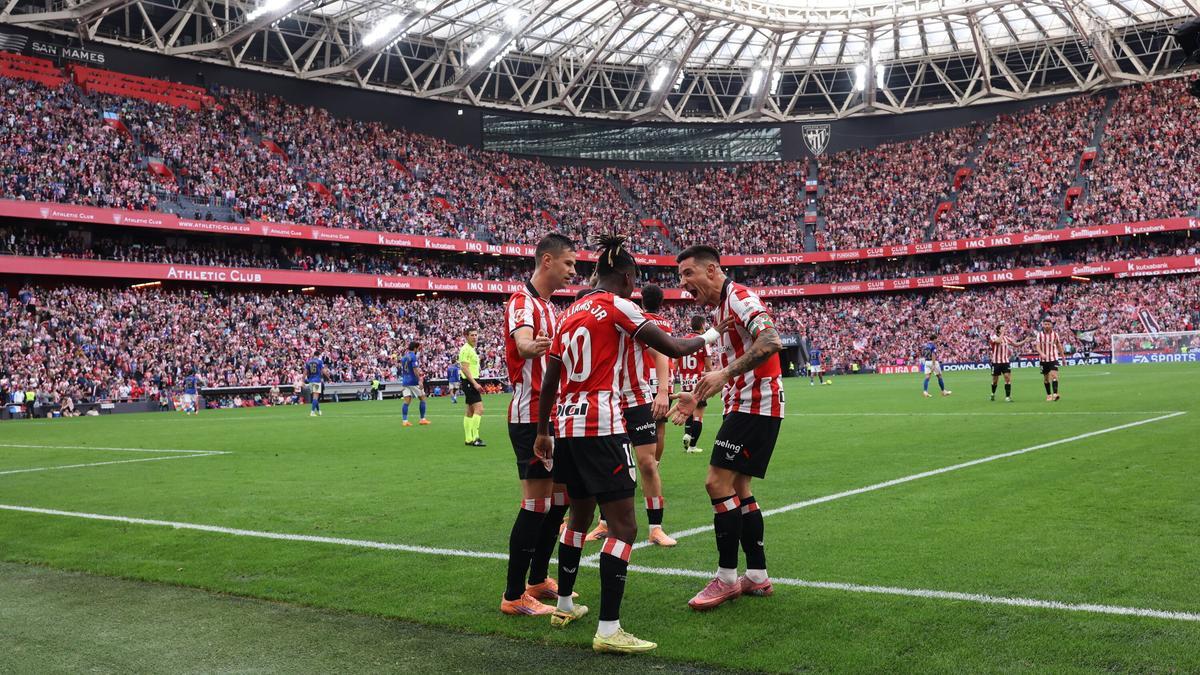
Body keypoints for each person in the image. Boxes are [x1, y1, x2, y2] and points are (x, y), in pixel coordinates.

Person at [535, 235, 719, 653]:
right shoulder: (616, 304)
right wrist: (709, 337)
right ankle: (608, 630)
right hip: (602, 424)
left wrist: (545, 430)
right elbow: (671, 346)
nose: (634, 288)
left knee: (578, 518)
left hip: (566, 424)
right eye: (633, 281)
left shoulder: (569, 313)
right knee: (623, 526)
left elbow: (550, 379)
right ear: (626, 276)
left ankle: (564, 605)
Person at [669, 244, 785, 610]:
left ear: (713, 270)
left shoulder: (738, 297)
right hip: (745, 405)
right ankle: (757, 575)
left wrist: (725, 373)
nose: (683, 283)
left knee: (716, 483)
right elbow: (724, 373)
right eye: (680, 276)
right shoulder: (720, 310)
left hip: (756, 405)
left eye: (688, 274)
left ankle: (726, 578)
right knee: (739, 486)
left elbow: (771, 340)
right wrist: (696, 396)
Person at [500, 232, 578, 617]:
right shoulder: (522, 302)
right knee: (536, 503)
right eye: (568, 264)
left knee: (559, 501)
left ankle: (537, 579)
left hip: (554, 417)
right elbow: (524, 346)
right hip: (532, 418)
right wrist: (553, 346)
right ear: (547, 261)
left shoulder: (552, 307)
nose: (573, 271)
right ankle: (513, 595)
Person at [586, 284, 676, 547]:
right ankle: (604, 523)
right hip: (609, 401)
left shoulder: (633, 322)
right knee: (609, 466)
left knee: (647, 464)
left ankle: (656, 528)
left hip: (637, 400)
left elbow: (660, 355)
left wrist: (661, 392)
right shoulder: (595, 324)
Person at [677, 315, 712, 455]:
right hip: (698, 384)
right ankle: (692, 446)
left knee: (688, 412)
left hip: (685, 383)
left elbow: (675, 362)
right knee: (698, 415)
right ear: (702, 325)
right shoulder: (703, 341)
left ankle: (687, 434)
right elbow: (709, 367)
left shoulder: (682, 341)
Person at [460, 328, 486, 446]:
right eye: (472, 335)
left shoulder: (471, 349)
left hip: (470, 381)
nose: (475, 337)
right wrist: (475, 383)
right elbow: (464, 368)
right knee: (479, 409)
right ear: (466, 336)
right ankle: (475, 437)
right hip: (470, 381)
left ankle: (468, 438)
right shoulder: (466, 349)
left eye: (476, 335)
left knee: (470, 410)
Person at [398, 342, 429, 427]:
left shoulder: (404, 357)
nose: (418, 350)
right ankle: (422, 419)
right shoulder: (413, 356)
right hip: (413, 381)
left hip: (405, 381)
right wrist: (419, 380)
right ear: (415, 348)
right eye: (418, 348)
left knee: (407, 401)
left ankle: (405, 421)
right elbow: (415, 369)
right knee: (422, 398)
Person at [1034, 318, 1065, 401]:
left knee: (1054, 375)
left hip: (1053, 358)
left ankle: (1055, 394)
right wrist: (1041, 353)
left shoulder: (1055, 335)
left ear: (1051, 325)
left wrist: (1063, 357)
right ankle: (1048, 395)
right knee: (1046, 379)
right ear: (1043, 325)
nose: (1047, 326)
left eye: (1048, 324)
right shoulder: (1039, 335)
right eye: (1045, 324)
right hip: (1043, 360)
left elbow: (1059, 346)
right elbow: (1037, 346)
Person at [989, 323, 1018, 402]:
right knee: (995, 380)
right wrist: (1002, 333)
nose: (1004, 329)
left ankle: (1007, 397)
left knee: (1007, 377)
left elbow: (1015, 344)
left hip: (1005, 361)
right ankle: (993, 393)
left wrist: (1025, 341)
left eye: (1004, 328)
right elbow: (998, 341)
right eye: (1002, 328)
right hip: (996, 362)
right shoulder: (993, 337)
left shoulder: (1007, 338)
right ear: (998, 330)